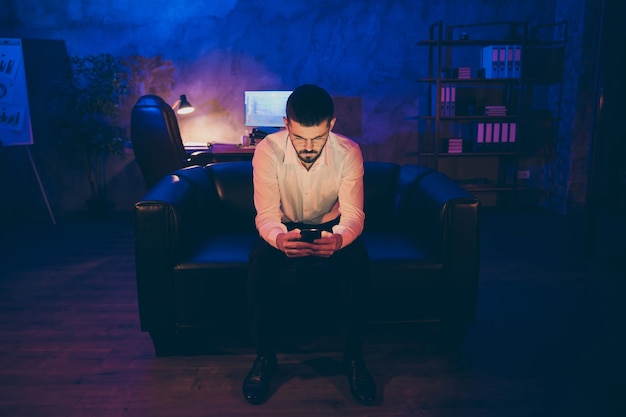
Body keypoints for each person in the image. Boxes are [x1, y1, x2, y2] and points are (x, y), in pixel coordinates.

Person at [242, 84, 376, 406]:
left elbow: (354, 213)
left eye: (317, 138)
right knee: (259, 262)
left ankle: (354, 358)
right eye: (300, 138)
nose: (308, 147)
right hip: (284, 226)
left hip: (333, 226)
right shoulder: (267, 151)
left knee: (360, 262)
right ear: (286, 124)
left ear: (331, 124)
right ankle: (264, 356)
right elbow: (266, 214)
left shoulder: (349, 152)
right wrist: (277, 238)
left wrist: (341, 238)